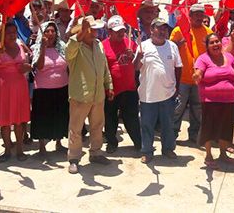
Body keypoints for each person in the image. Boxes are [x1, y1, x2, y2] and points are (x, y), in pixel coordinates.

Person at [65, 16, 114, 174]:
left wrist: (109, 85)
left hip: (98, 94)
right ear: (83, 30)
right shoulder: (75, 46)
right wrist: (80, 35)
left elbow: (104, 67)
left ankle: (96, 153)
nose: (95, 31)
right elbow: (68, 52)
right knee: (76, 129)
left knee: (97, 126)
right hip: (81, 95)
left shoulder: (98, 44)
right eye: (91, 29)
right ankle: (74, 158)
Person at [193, 33, 234, 168]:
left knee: (225, 128)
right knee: (209, 128)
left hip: (229, 100)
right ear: (207, 46)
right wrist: (197, 76)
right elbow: (198, 72)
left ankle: (223, 154)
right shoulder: (203, 59)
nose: (215, 44)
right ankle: (209, 155)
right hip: (210, 100)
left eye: (217, 41)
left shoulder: (229, 57)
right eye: (211, 43)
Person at [134, 18, 182, 163]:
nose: (162, 32)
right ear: (151, 30)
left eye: (164, 29)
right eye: (159, 28)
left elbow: (178, 67)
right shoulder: (143, 46)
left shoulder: (172, 46)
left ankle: (168, 149)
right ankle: (147, 151)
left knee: (168, 124)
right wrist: (138, 58)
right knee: (147, 125)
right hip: (148, 95)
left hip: (167, 94)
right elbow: (135, 68)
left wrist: (177, 88)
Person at [0, 22, 32, 162]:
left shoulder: (21, 45)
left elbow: (31, 60)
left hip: (19, 85)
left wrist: (28, 67)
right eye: (8, 32)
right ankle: (7, 150)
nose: (12, 35)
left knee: (18, 120)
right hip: (2, 86)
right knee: (4, 120)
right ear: (2, 34)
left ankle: (19, 150)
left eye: (14, 31)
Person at [170, 4, 213, 143]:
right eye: (196, 14)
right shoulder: (179, 30)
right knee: (178, 108)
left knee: (197, 109)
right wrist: (179, 43)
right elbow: (169, 49)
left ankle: (194, 135)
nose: (200, 17)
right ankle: (172, 136)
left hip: (200, 79)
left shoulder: (208, 32)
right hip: (182, 78)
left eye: (202, 14)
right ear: (190, 16)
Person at [102, 16, 142, 153]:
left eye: (122, 30)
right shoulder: (103, 46)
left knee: (132, 117)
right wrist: (107, 87)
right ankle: (112, 143)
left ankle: (138, 142)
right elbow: (102, 69)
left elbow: (137, 66)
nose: (121, 33)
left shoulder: (130, 43)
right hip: (112, 89)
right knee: (110, 117)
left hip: (129, 88)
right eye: (117, 31)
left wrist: (136, 56)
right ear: (109, 31)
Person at [30, 21, 69, 157]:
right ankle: (42, 147)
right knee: (42, 118)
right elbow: (39, 67)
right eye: (47, 31)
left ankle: (59, 142)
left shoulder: (62, 47)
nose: (50, 33)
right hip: (43, 89)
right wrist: (43, 49)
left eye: (53, 31)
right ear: (42, 33)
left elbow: (68, 65)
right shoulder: (36, 47)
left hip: (62, 87)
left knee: (60, 116)